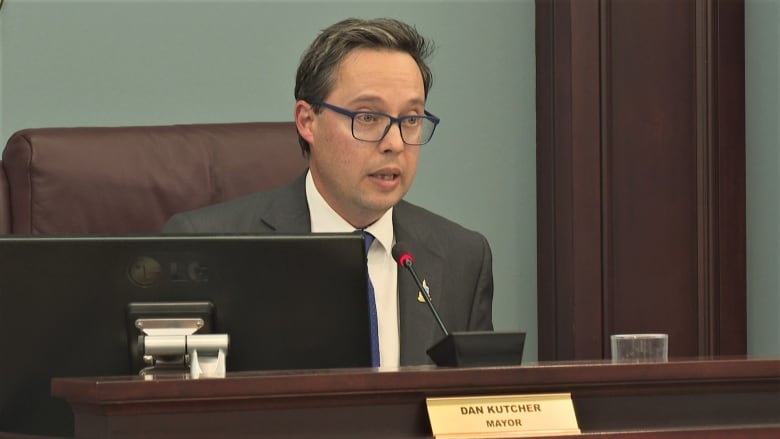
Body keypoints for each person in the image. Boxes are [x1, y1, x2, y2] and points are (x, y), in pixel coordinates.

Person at [163, 17, 494, 367]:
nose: (395, 143)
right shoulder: (207, 249)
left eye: (411, 119)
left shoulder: (462, 258)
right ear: (308, 121)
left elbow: (475, 405)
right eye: (368, 117)